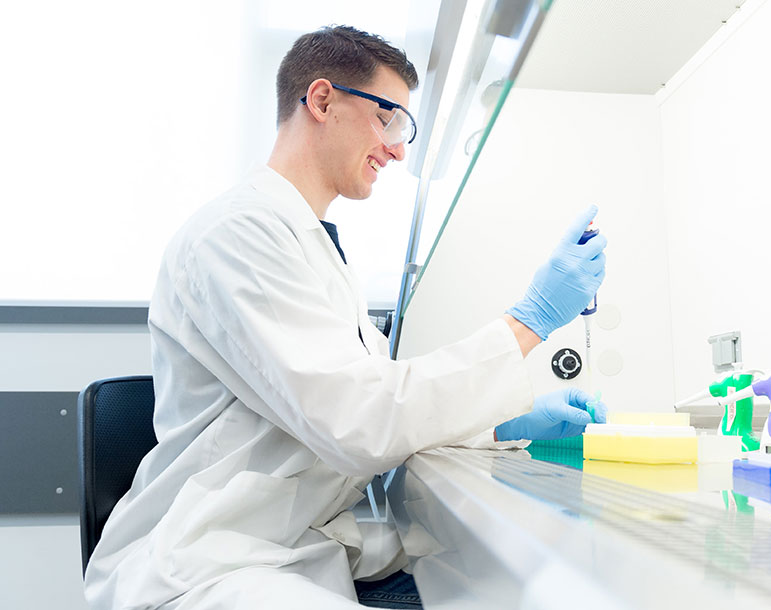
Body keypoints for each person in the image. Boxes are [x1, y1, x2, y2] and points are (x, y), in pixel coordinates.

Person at [83, 25, 607, 609]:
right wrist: (527, 322)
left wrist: (499, 427)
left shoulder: (312, 249)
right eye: (389, 118)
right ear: (323, 99)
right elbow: (360, 420)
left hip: (287, 547)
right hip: (211, 564)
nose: (399, 149)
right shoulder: (236, 234)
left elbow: (376, 405)